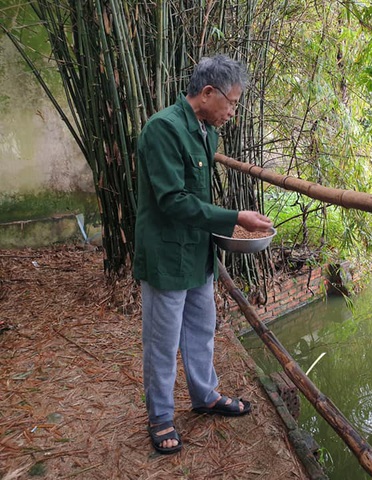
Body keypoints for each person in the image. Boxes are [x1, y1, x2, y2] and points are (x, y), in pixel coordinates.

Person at [133, 55, 273, 455]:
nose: (233, 111)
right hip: (165, 251)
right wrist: (234, 217)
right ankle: (160, 416)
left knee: (201, 328)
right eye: (231, 102)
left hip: (198, 249)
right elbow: (173, 201)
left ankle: (204, 394)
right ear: (207, 93)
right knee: (162, 340)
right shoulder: (163, 129)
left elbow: (196, 196)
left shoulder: (206, 132)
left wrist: (225, 226)